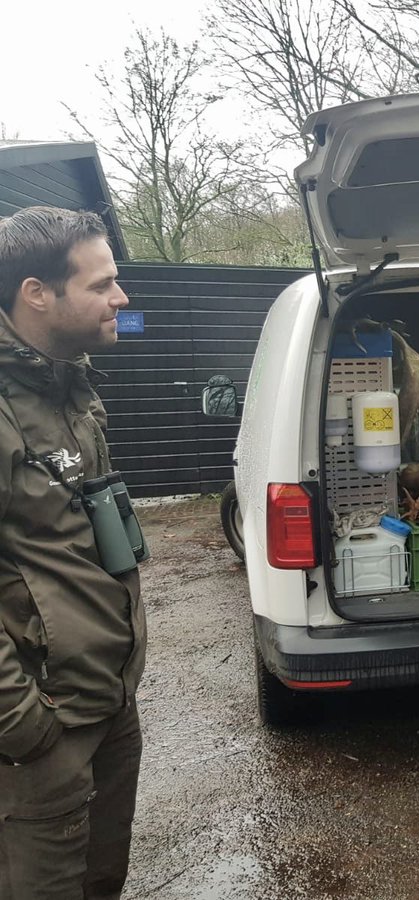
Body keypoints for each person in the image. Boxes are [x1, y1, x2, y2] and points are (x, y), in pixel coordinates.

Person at [0, 207, 146, 899]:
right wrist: (25, 725)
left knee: (101, 881)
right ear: (37, 294)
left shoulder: (72, 385)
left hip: (108, 699)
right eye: (102, 284)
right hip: (43, 725)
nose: (121, 298)